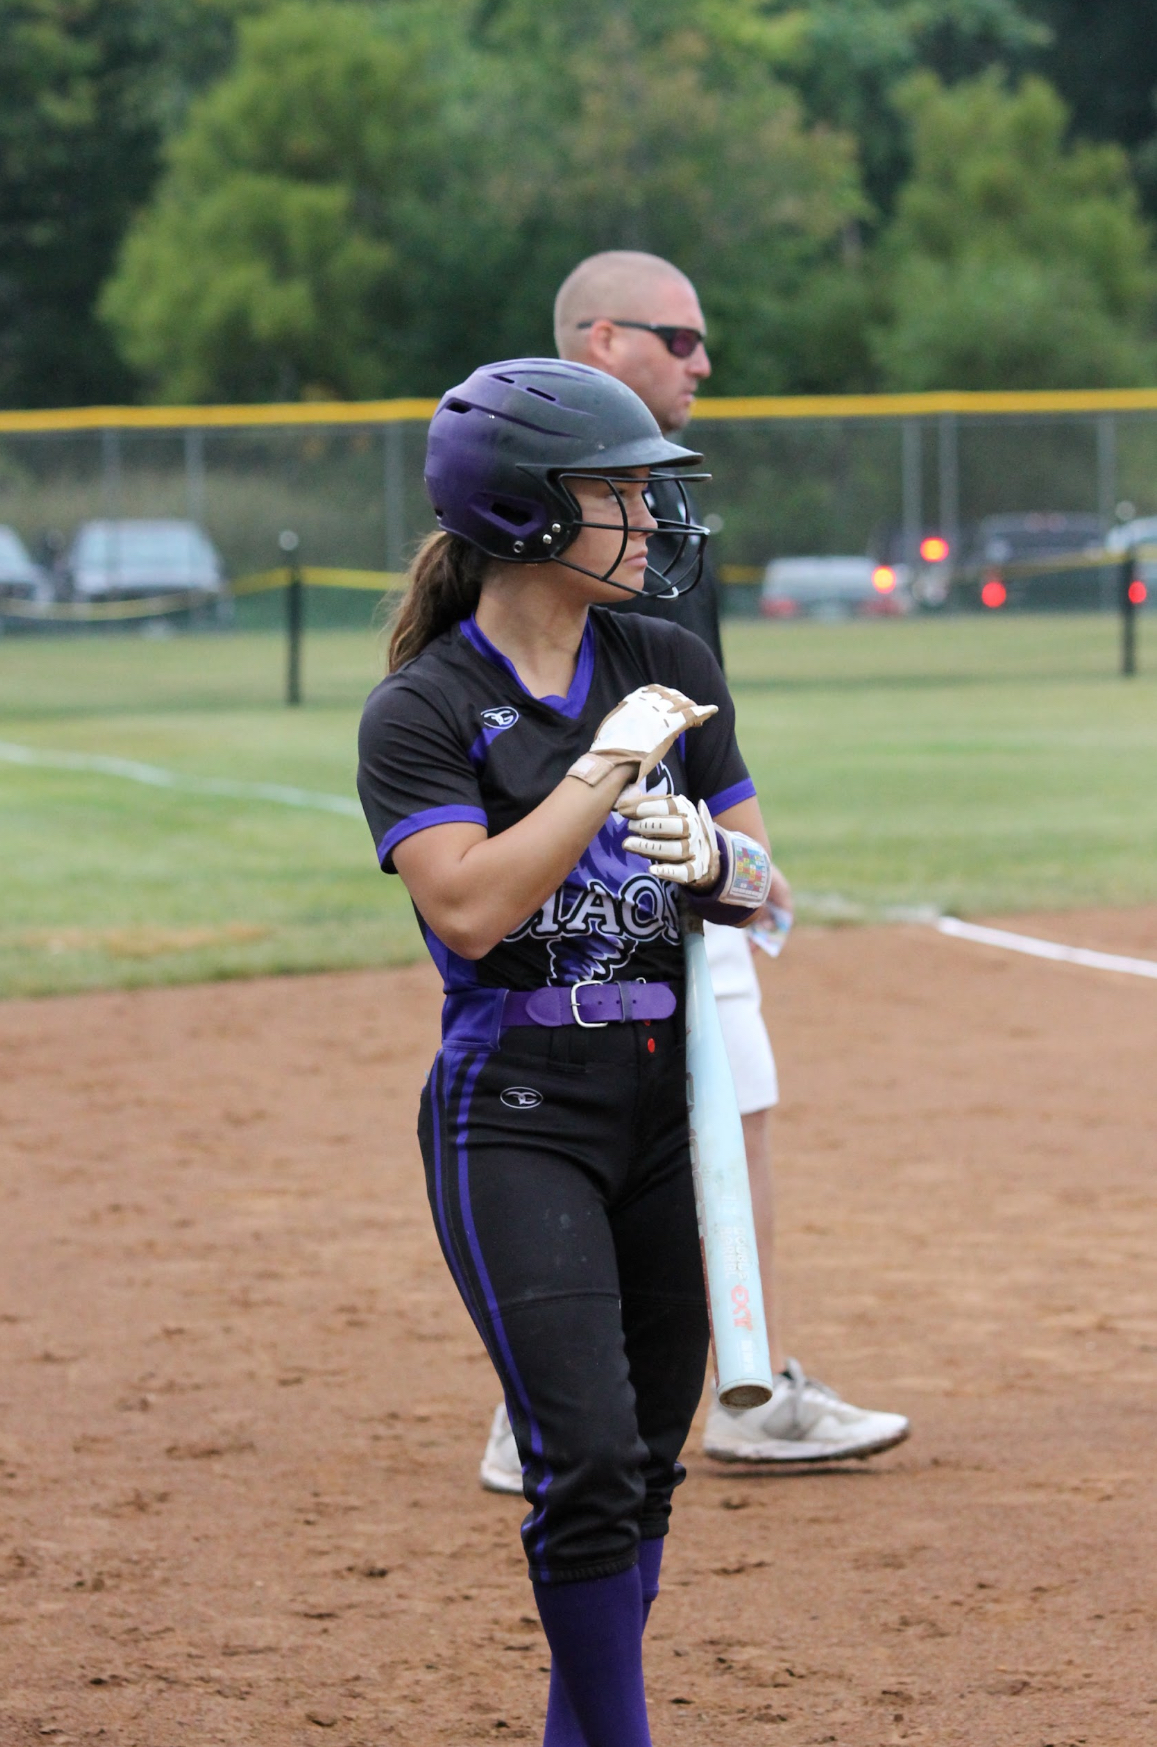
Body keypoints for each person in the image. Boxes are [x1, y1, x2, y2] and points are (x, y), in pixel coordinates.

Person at [357, 356, 776, 1747]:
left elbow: (770, 884)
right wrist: (603, 767)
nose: (651, 518)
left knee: (642, 1467)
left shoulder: (668, 660)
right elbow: (469, 906)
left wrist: (722, 856)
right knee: (582, 1457)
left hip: (667, 1105)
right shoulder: (423, 706)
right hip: (518, 1110)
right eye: (621, 489)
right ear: (532, 513)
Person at [480, 251, 909, 1487]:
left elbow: (692, 695)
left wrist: (725, 840)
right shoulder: (526, 498)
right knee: (556, 1105)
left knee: (739, 1106)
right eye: (680, 338)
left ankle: (753, 1379)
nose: (703, 362)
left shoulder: (659, 510)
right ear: (601, 340)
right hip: (569, 871)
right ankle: (542, 1399)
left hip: (686, 849)